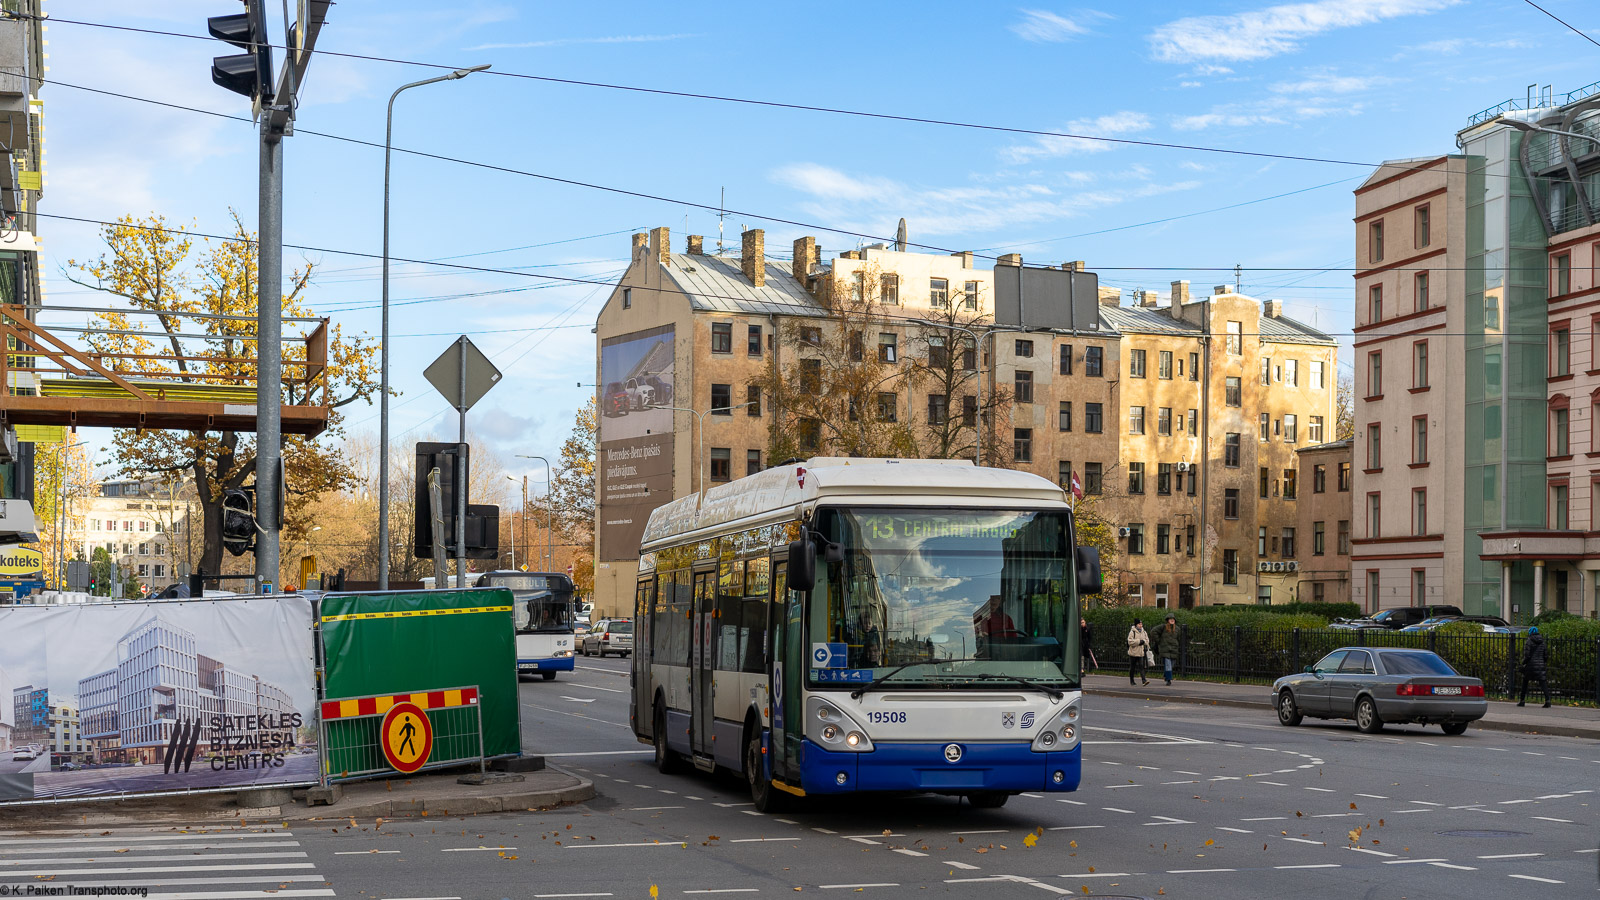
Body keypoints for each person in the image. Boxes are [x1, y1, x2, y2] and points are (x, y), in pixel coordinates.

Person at [1517, 625, 1550, 708]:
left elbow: (1527, 655)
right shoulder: (1542, 642)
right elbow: (1546, 655)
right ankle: (1548, 700)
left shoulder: (1529, 641)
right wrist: (1543, 662)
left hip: (1530, 666)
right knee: (1543, 683)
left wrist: (1523, 663)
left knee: (1525, 682)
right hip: (1540, 665)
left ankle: (1522, 700)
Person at [1155, 614, 1180, 686]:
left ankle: (1166, 675)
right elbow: (1153, 631)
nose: (1172, 620)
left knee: (1171, 665)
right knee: (1168, 665)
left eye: (1173, 619)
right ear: (1168, 620)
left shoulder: (1177, 629)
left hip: (1174, 650)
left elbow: (1178, 638)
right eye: (1170, 619)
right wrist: (1159, 641)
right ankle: (1169, 680)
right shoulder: (1163, 627)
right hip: (1165, 649)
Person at [1126, 618, 1151, 686]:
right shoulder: (1132, 632)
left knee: (1141, 666)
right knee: (1132, 667)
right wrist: (1139, 642)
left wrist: (1144, 642)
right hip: (1133, 653)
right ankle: (1132, 680)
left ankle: (1144, 680)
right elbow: (1130, 641)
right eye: (1139, 624)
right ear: (1136, 625)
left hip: (1141, 652)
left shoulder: (1144, 632)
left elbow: (1147, 640)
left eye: (1141, 624)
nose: (1141, 625)